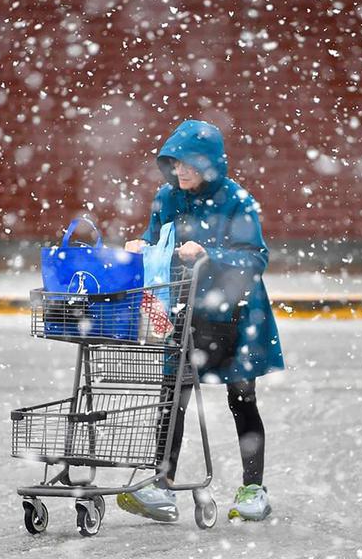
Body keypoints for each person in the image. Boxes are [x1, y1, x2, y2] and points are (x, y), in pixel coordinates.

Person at [117, 119, 285, 522]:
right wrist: (143, 247)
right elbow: (158, 242)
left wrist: (209, 253)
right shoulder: (167, 197)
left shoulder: (237, 201)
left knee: (241, 399)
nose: (180, 172)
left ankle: (253, 490)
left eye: (188, 165)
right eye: (174, 164)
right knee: (172, 397)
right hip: (185, 313)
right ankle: (162, 485)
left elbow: (256, 258)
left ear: (209, 164)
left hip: (237, 314)